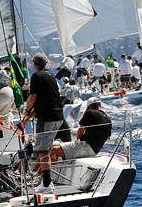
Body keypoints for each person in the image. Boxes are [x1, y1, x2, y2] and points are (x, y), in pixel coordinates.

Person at [19, 53, 63, 194]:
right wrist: (28, 117)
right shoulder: (50, 76)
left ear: (34, 64)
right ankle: (46, 182)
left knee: (43, 152)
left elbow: (32, 98)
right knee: (46, 150)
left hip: (47, 119)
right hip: (58, 117)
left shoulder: (37, 76)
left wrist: (25, 112)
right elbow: (42, 102)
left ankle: (46, 184)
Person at [49, 97, 111, 163]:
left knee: (54, 150)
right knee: (53, 146)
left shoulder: (90, 112)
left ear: (89, 106)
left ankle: (45, 172)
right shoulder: (108, 119)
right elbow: (108, 138)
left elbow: (80, 131)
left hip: (85, 147)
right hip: (95, 150)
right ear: (100, 105)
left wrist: (77, 141)